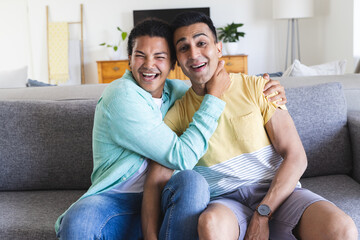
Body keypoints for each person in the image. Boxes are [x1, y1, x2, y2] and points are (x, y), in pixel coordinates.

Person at [55, 19, 286, 239]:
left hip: (165, 199)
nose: (149, 65)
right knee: (79, 220)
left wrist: (266, 86)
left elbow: (217, 91)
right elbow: (181, 156)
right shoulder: (121, 96)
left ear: (173, 63)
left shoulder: (176, 93)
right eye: (140, 56)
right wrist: (214, 97)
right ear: (129, 59)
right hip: (116, 200)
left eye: (160, 57)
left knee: (193, 182)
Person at [142, 12, 358, 240]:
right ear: (177, 60)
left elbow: (296, 156)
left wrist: (262, 213)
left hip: (279, 195)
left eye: (201, 43)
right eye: (184, 48)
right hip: (225, 204)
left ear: (218, 48)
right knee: (210, 224)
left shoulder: (259, 87)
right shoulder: (177, 113)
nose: (194, 54)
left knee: (343, 229)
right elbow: (155, 182)